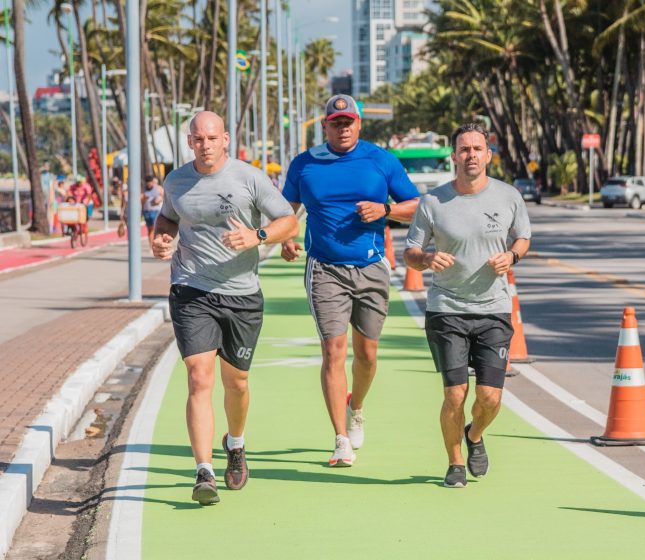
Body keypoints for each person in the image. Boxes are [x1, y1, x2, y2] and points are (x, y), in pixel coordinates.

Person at [152, 111, 298, 505]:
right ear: (189, 141)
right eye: (198, 139)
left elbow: (289, 221)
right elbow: (167, 219)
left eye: (212, 138)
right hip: (191, 289)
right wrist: (161, 239)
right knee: (199, 377)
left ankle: (235, 443)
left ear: (226, 139)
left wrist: (258, 236)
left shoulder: (249, 178)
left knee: (237, 383)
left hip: (241, 294)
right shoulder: (176, 181)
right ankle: (204, 471)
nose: (205, 145)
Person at [281, 94, 419, 467]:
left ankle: (356, 406)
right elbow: (286, 211)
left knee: (367, 355)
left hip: (371, 266)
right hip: (324, 268)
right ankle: (341, 438)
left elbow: (418, 205)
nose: (342, 128)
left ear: (359, 124)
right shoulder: (304, 164)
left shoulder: (381, 160)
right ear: (325, 126)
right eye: (336, 123)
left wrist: (386, 209)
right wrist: (287, 238)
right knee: (333, 351)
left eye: (348, 122)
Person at [403, 122, 531, 488]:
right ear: (454, 156)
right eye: (464, 149)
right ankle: (455, 462)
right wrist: (427, 259)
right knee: (455, 393)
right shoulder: (433, 202)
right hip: (447, 308)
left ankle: (474, 435)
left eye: (477, 149)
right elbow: (410, 252)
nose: (470, 155)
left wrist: (512, 256)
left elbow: (523, 237)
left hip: (494, 309)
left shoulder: (508, 196)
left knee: (490, 397)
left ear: (488, 155)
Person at [142, 174, 164, 247]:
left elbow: (165, 196)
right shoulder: (143, 189)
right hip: (146, 211)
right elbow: (140, 200)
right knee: (150, 229)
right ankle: (151, 246)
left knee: (156, 228)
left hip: (156, 211)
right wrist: (144, 198)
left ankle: (157, 244)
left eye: (150, 182)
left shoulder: (158, 188)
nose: (149, 184)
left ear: (152, 182)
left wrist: (159, 200)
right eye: (147, 183)